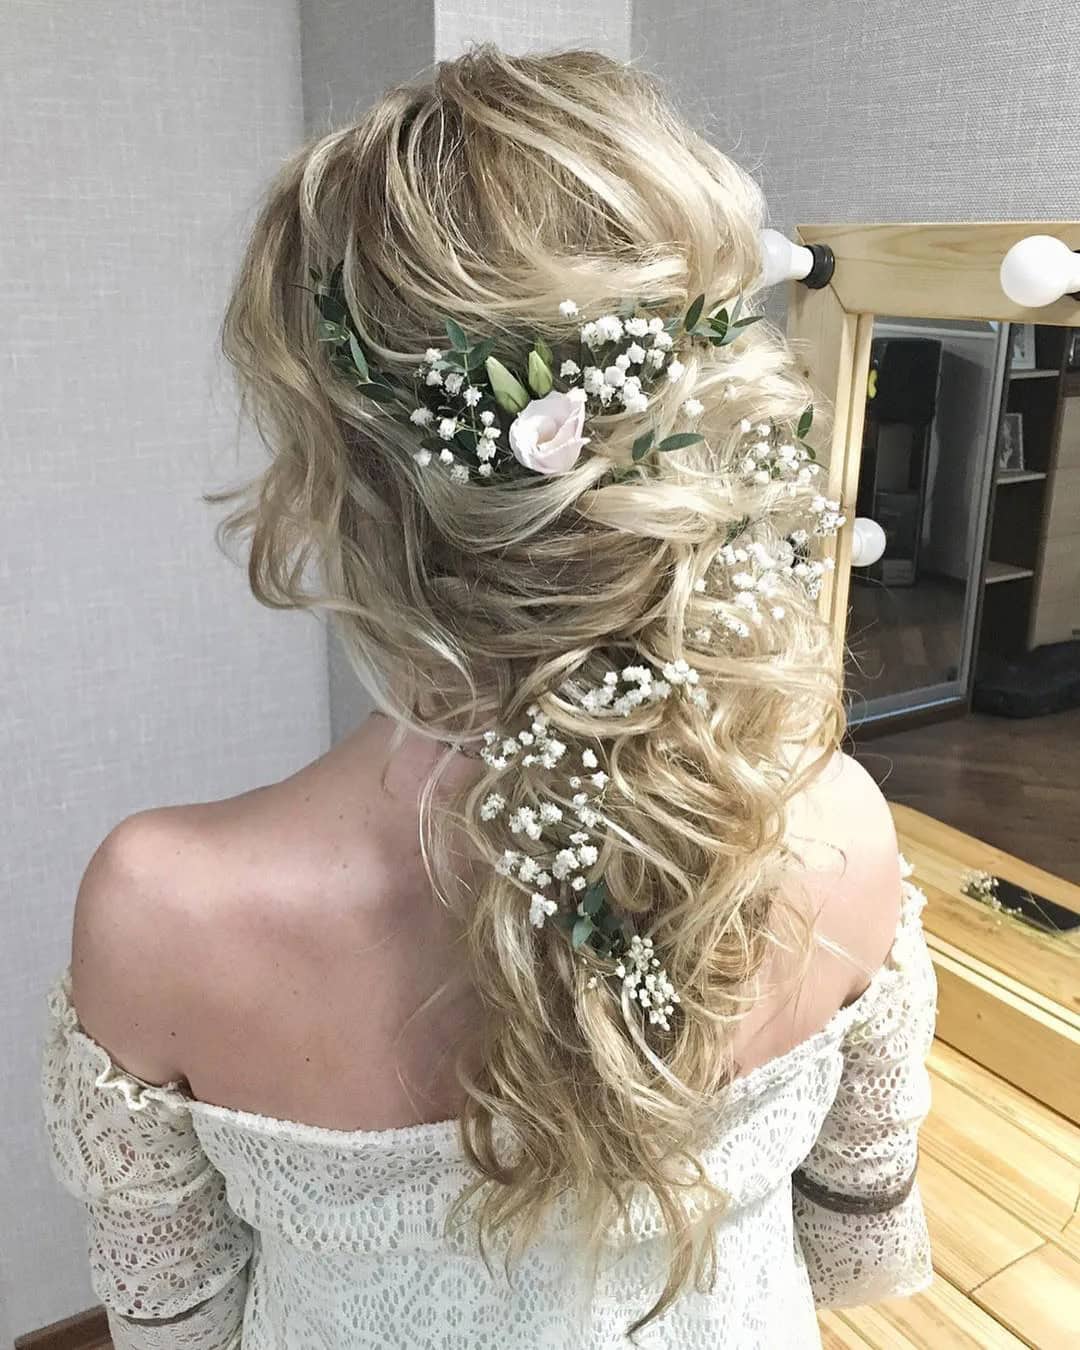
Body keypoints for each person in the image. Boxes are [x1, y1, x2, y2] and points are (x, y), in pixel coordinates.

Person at [40, 45, 936, 1349]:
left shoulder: (162, 910)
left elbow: (179, 1333)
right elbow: (854, 1248)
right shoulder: (839, 829)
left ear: (331, 478)